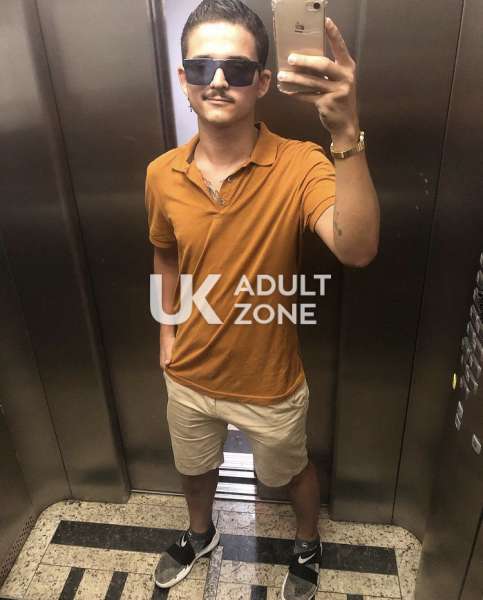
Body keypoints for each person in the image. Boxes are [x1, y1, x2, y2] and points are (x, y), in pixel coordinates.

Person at [144, 0, 380, 598]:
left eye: (238, 68)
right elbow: (165, 255)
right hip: (189, 372)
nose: (218, 79)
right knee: (194, 469)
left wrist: (345, 132)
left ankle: (307, 541)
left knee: (292, 472)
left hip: (270, 380)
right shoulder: (161, 174)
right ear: (183, 79)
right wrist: (166, 331)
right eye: (202, 67)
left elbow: (357, 249)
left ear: (263, 82)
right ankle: (200, 533)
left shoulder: (300, 164)